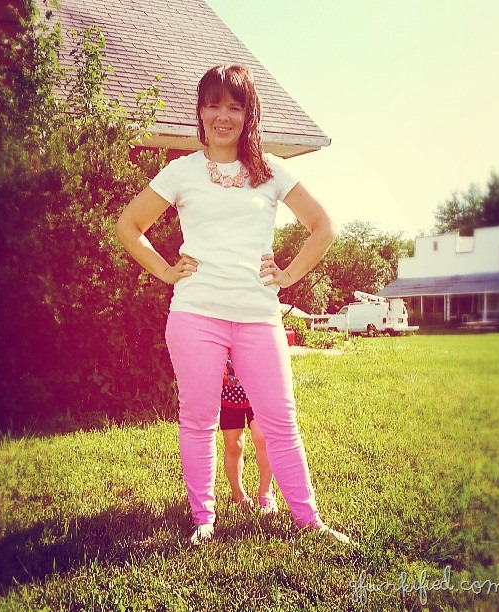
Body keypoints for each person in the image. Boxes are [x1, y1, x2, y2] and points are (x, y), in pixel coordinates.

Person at [116, 64, 352, 546]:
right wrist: (166, 271)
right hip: (195, 314)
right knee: (198, 420)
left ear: (248, 114)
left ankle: (309, 520)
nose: (222, 116)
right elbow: (128, 226)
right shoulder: (181, 172)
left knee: (280, 421)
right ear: (200, 112)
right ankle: (203, 520)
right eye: (213, 105)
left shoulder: (271, 170)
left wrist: (288, 276)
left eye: (234, 106)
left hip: (257, 315)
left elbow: (324, 227)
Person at [221, 358, 278, 513]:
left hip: (258, 388)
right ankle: (238, 494)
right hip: (228, 392)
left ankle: (266, 492)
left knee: (262, 437)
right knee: (233, 444)